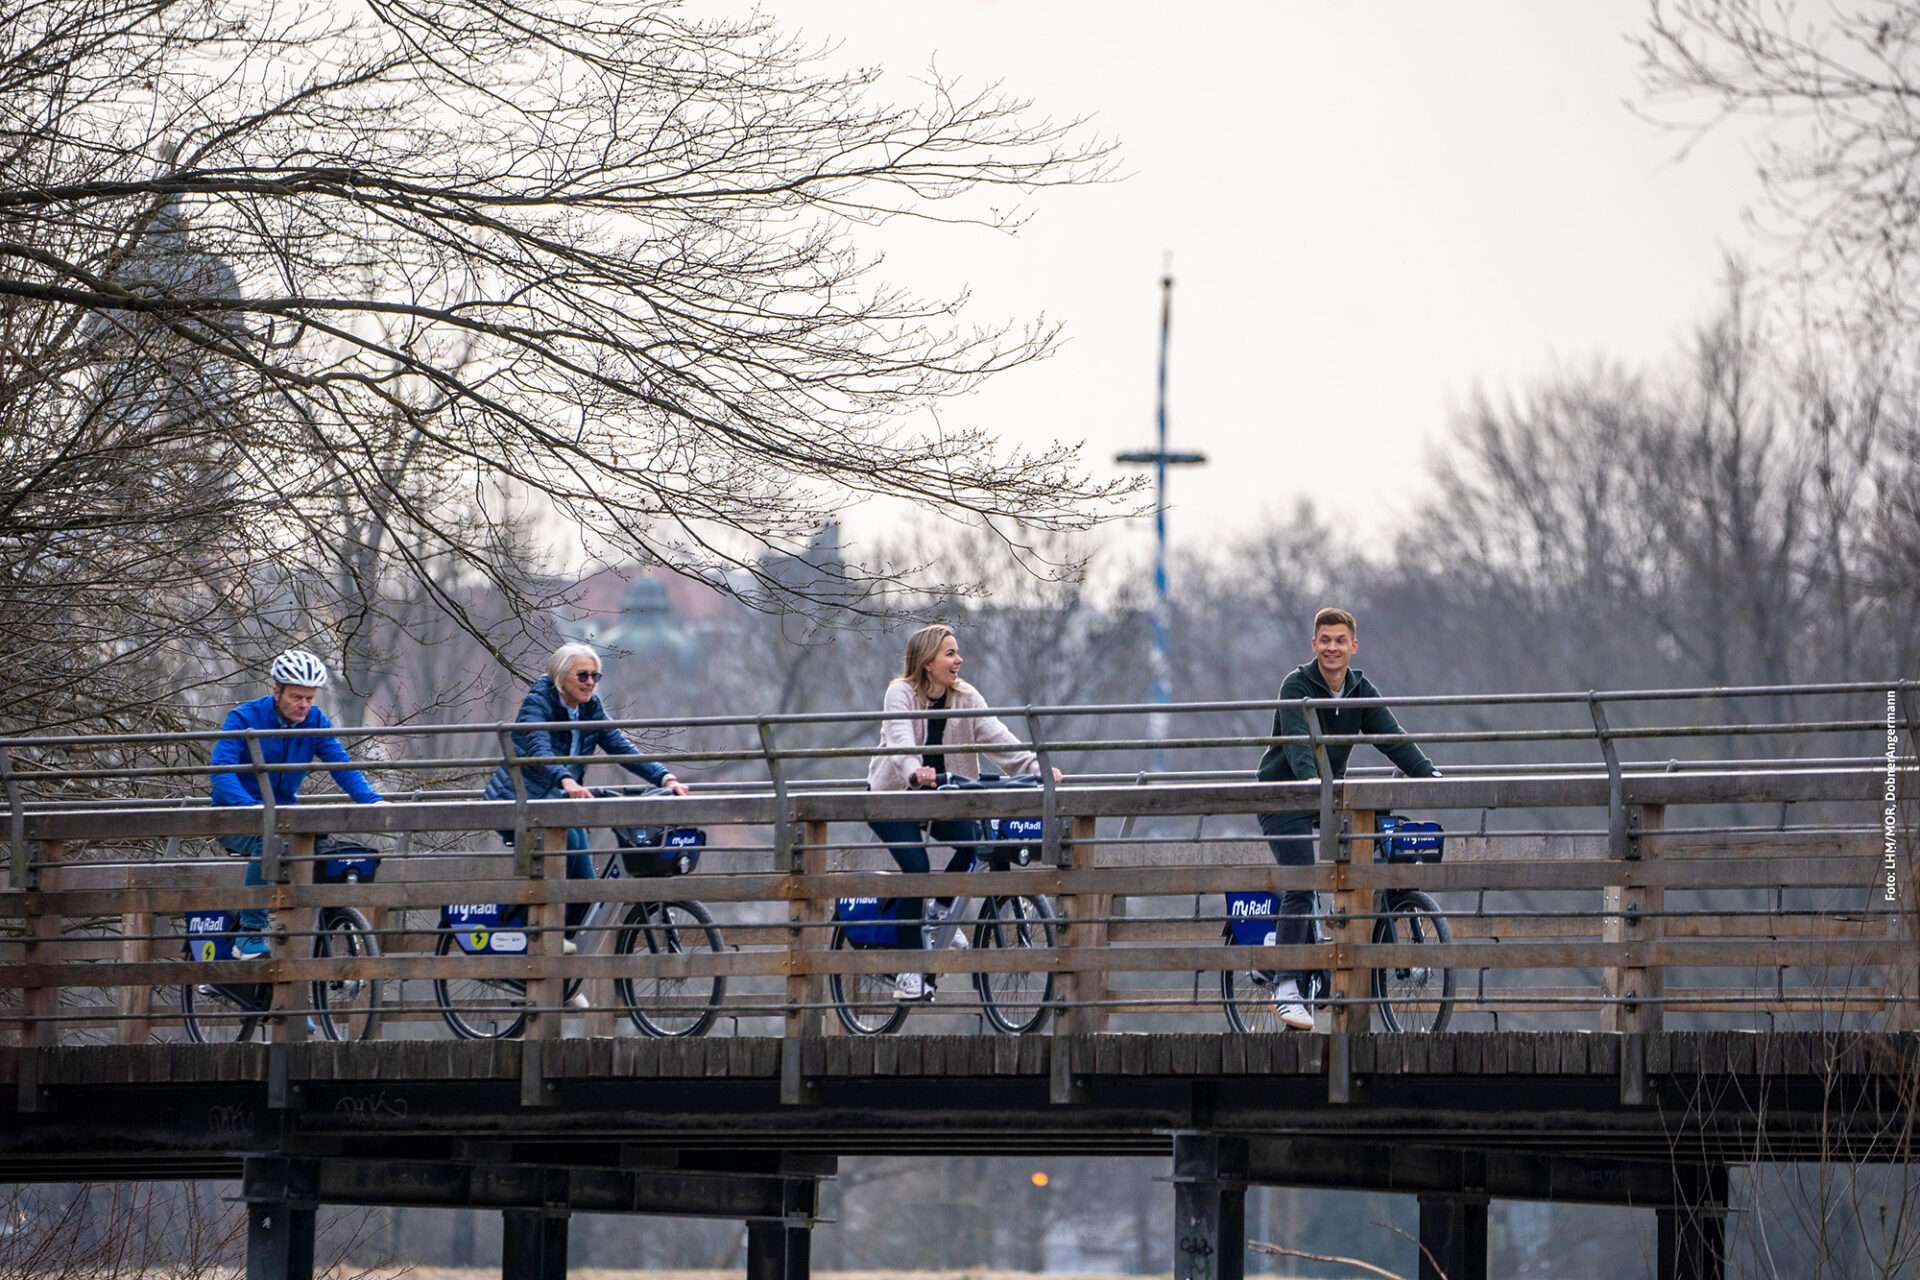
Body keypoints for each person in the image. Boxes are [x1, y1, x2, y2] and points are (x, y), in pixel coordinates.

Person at [1255, 607, 1440, 1030]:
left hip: (1330, 797)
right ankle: (1285, 986)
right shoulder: (1296, 685)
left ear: (1353, 646)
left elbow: (1390, 737)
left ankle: (1331, 949)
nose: (1332, 647)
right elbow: (1301, 747)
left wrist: (1428, 773)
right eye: (1325, 640)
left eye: (1341, 640)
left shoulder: (1359, 689)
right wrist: (1314, 784)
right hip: (1285, 797)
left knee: (1375, 851)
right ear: (1314, 645)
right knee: (1302, 882)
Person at [867, 624, 1063, 1001]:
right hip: (895, 798)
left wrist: (1037, 769)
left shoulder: (966, 697)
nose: (959, 660)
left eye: (957, 653)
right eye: (950, 654)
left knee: (976, 844)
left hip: (945, 797)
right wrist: (913, 770)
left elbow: (1001, 741)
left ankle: (941, 910)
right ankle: (909, 970)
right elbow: (899, 742)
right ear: (927, 663)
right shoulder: (900, 693)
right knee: (917, 871)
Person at [483, 643, 690, 951]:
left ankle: (563, 974)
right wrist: (566, 780)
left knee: (587, 890)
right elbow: (540, 750)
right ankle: (539, 937)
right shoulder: (537, 705)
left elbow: (619, 745)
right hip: (522, 803)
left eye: (595, 676)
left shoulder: (590, 708)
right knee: (571, 855)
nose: (590, 683)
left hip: (561, 805)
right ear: (560, 677)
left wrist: (665, 777)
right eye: (582, 675)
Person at [209, 649, 385, 958]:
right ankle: (248, 936)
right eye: (296, 697)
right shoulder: (244, 718)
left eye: (309, 698)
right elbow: (221, 769)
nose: (304, 705)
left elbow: (340, 765)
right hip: (236, 817)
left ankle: (309, 929)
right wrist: (249, 807)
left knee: (324, 851)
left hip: (286, 818)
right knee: (270, 841)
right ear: (276, 691)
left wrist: (372, 802)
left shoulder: (314, 720)